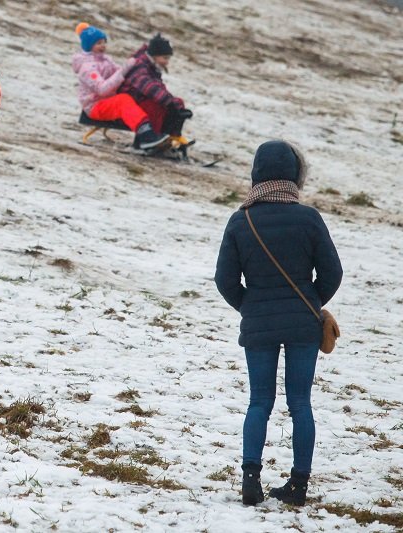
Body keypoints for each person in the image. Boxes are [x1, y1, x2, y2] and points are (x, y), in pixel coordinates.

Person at [215, 140, 343, 506]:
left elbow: (225, 280)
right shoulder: (309, 218)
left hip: (258, 324)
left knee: (259, 402)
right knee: (301, 403)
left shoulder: (242, 219)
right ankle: (299, 485)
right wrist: (312, 302)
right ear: (293, 175)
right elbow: (332, 272)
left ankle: (250, 481)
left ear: (256, 172)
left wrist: (250, 306)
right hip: (304, 322)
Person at [72, 23, 169, 151]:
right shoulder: (87, 67)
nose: (103, 46)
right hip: (95, 105)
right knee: (123, 100)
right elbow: (102, 89)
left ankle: (154, 137)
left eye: (104, 42)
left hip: (109, 101)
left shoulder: (105, 60)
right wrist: (123, 70)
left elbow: (121, 73)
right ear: (89, 45)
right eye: (98, 43)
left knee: (145, 99)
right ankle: (146, 134)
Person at [119, 33, 193, 143]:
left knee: (176, 103)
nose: (167, 62)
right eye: (165, 58)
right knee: (155, 106)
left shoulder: (153, 67)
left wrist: (176, 105)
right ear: (155, 55)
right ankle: (148, 140)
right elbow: (149, 87)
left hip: (140, 98)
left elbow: (159, 88)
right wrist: (169, 102)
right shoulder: (140, 65)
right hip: (130, 101)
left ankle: (170, 136)